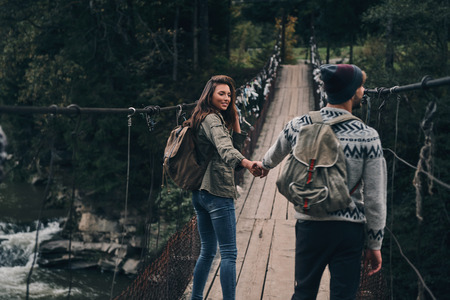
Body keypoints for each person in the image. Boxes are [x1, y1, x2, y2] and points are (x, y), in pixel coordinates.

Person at [256, 64, 387, 299]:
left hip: (310, 224)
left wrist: (263, 166)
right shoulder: (368, 136)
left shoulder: (298, 124)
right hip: (349, 230)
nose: (364, 90)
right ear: (352, 91)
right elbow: (375, 198)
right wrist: (375, 243)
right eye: (360, 85)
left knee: (304, 292)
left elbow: (275, 152)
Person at [186, 75, 260, 300]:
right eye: (221, 93)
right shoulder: (212, 120)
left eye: (229, 94)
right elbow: (228, 151)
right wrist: (247, 164)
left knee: (207, 251)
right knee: (229, 253)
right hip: (217, 192)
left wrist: (235, 116)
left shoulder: (202, 117)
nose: (227, 98)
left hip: (200, 194)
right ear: (210, 95)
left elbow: (235, 145)